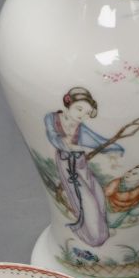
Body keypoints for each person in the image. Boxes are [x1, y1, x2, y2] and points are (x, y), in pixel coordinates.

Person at [44, 87, 124, 247]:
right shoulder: (52, 118)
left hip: (81, 164)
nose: (82, 115)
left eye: (86, 113)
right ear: (68, 103)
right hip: (68, 166)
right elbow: (54, 138)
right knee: (87, 201)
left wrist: (116, 147)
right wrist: (70, 146)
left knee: (99, 196)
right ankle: (93, 237)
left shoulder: (81, 127)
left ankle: (101, 232)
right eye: (79, 108)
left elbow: (98, 141)